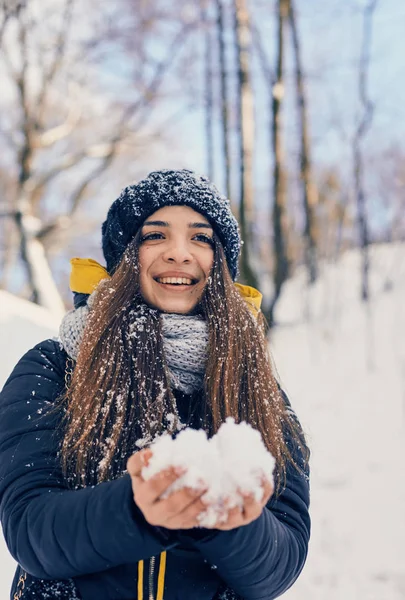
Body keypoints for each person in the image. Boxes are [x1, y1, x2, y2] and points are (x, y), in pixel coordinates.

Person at [0, 169, 310, 600]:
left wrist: (229, 521)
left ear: (219, 264)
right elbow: (30, 528)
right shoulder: (55, 366)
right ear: (125, 256)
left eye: (201, 238)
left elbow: (281, 564)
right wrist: (137, 510)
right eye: (154, 236)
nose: (179, 253)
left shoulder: (255, 388)